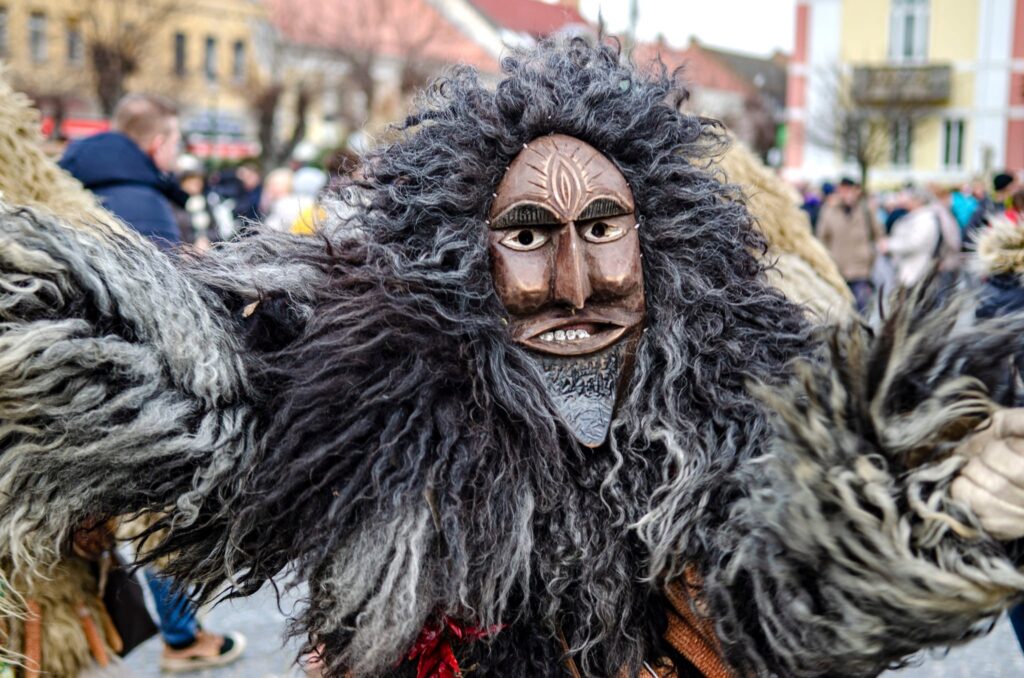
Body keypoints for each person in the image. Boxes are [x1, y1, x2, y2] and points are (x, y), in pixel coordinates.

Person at [8, 38, 1024, 678]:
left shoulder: (741, 387)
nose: (577, 284)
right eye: (529, 234)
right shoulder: (374, 387)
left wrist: (925, 499)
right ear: (461, 252)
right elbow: (201, 383)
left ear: (661, 237)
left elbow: (806, 561)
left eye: (605, 228)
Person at [59, 93, 245, 671]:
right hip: (131, 388)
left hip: (71, 380)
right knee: (157, 516)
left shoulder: (73, 185)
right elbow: (165, 307)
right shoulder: (143, 200)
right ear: (157, 142)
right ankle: (183, 639)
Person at [58, 94, 187, 250]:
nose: (176, 153)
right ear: (157, 145)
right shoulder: (149, 207)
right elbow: (162, 272)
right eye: (175, 143)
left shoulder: (69, 181)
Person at [815, 177, 885, 311]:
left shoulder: (867, 210)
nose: (845, 194)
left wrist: (873, 254)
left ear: (856, 191)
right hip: (837, 269)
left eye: (848, 190)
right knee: (838, 310)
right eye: (842, 191)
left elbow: (879, 234)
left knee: (863, 310)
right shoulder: (829, 210)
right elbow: (821, 238)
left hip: (862, 271)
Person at [882, 187, 960, 287]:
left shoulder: (926, 218)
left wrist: (890, 245)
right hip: (915, 269)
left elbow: (915, 243)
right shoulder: (921, 216)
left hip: (919, 271)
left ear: (917, 200)